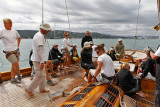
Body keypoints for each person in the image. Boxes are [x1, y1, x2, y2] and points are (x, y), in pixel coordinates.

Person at [25, 23, 51, 96]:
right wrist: (42, 62)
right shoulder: (40, 36)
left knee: (43, 74)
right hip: (38, 60)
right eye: (48, 30)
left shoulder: (38, 35)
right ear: (44, 29)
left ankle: (42, 88)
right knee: (39, 76)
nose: (48, 31)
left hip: (38, 59)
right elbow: (39, 49)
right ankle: (29, 89)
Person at [0, 18, 21, 83]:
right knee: (16, 64)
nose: (4, 25)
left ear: (11, 24)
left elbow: (19, 37)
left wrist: (18, 45)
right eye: (4, 23)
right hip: (8, 52)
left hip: (16, 50)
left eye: (6, 23)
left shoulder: (14, 31)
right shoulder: (1, 31)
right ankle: (18, 75)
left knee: (13, 65)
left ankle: (12, 78)